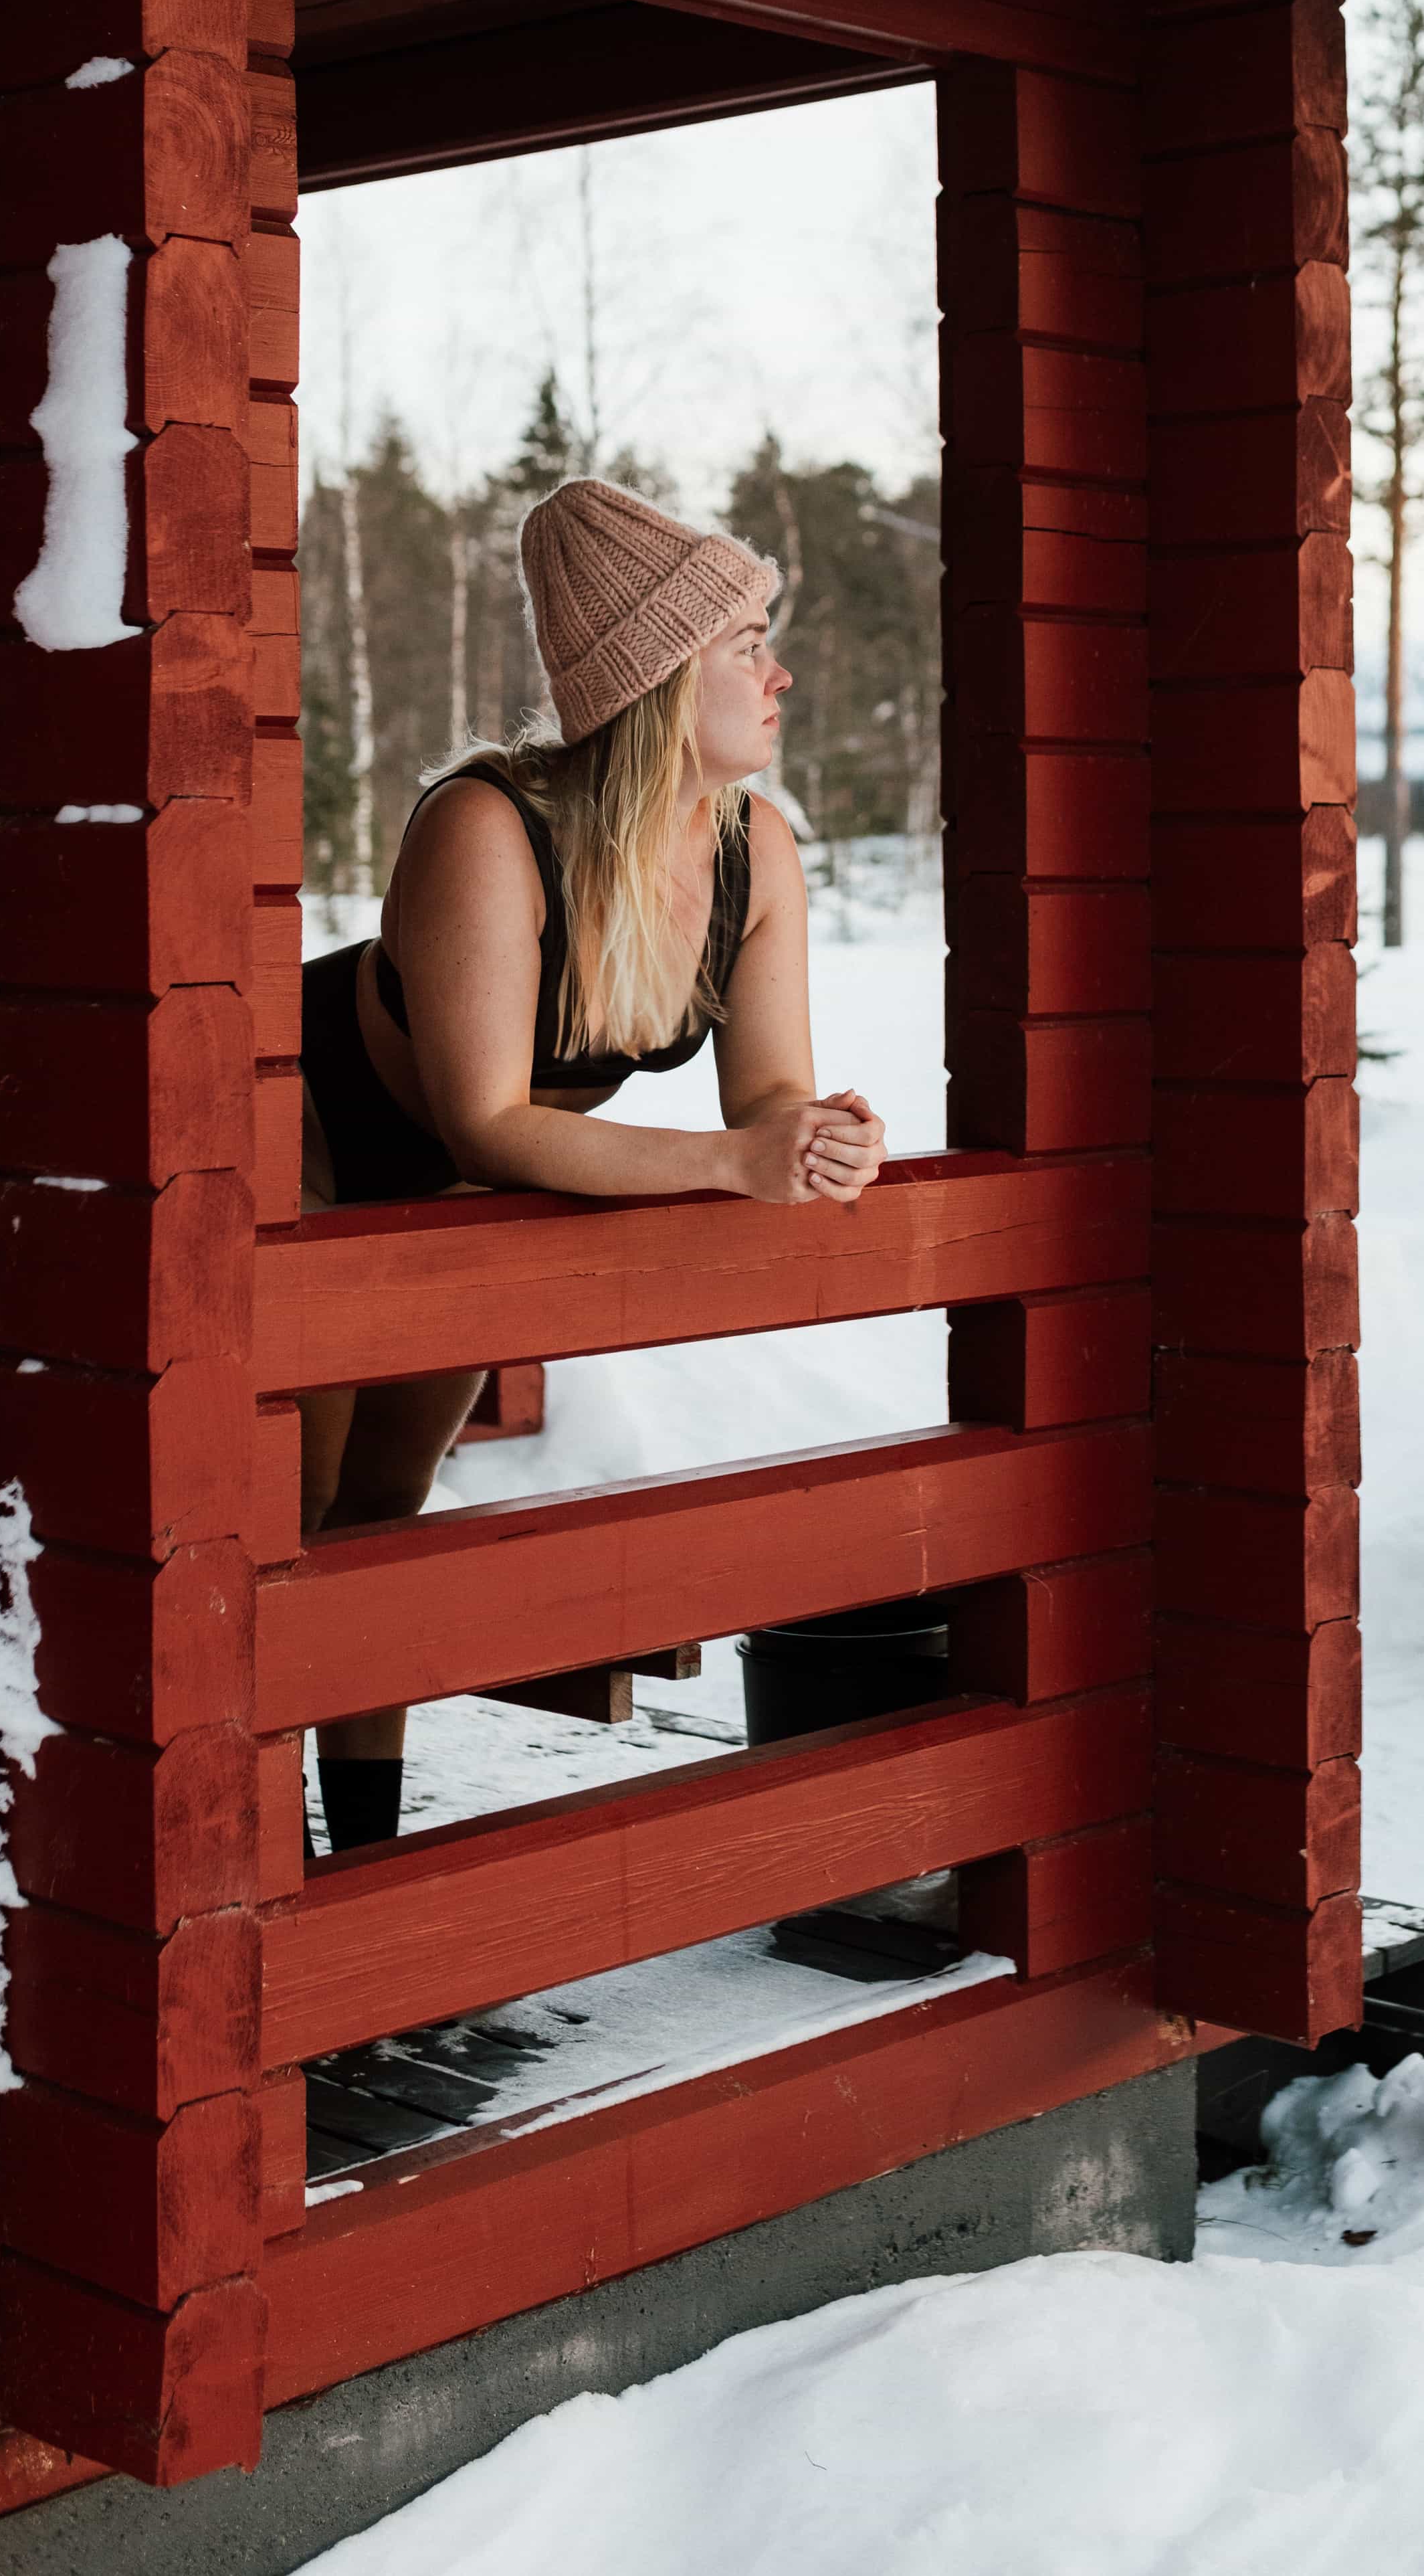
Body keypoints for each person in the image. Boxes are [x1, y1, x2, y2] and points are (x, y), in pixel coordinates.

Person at [294, 478, 889, 1850]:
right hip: (307, 1153)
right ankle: (272, 1864)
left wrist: (813, 1135)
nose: (778, 668)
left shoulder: (755, 848)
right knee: (299, 1522)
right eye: (748, 640)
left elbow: (770, 1091)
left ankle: (362, 1854)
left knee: (386, 1506)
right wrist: (733, 1161)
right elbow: (490, 1118)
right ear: (667, 676)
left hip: (455, 1191)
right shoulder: (488, 827)